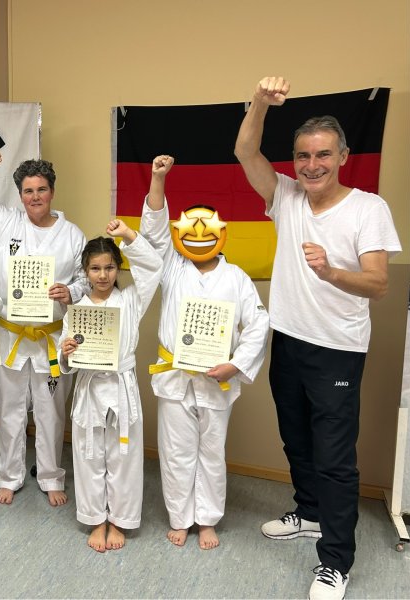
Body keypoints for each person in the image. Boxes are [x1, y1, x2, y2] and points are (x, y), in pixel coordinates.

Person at [234, 76, 402, 600]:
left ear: (343, 157)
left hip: (338, 350)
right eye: (303, 155)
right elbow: (244, 150)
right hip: (288, 339)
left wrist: (330, 272)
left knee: (334, 458)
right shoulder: (285, 195)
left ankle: (335, 561)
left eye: (323, 154)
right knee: (297, 440)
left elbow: (378, 283)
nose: (312, 165)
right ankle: (308, 513)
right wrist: (259, 102)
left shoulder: (368, 208)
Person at [140, 155, 270, 550]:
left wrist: (236, 364)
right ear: (181, 234)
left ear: (222, 234)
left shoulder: (237, 277)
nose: (199, 238)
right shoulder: (171, 266)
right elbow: (154, 231)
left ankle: (208, 519)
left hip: (218, 378)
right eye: (190, 231)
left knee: (211, 452)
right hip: (175, 375)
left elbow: (259, 323)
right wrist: (158, 179)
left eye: (207, 231)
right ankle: (180, 518)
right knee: (176, 451)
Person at [0, 148, 86, 507]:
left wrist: (71, 291)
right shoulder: (5, 222)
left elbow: (86, 278)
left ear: (52, 191)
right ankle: (10, 476)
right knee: (9, 410)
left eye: (41, 189)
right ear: (20, 194)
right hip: (9, 335)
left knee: (50, 412)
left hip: (50, 338)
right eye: (28, 191)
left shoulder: (73, 234)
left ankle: (51, 476)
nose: (35, 197)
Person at [58, 219, 162, 552]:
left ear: (118, 268)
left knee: (123, 456)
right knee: (88, 455)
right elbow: (64, 357)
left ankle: (119, 520)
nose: (102, 275)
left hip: (121, 386)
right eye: (95, 268)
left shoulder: (131, 300)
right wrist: (65, 352)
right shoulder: (76, 310)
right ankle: (95, 519)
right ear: (85, 271)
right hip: (89, 388)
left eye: (109, 267)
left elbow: (153, 267)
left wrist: (129, 235)